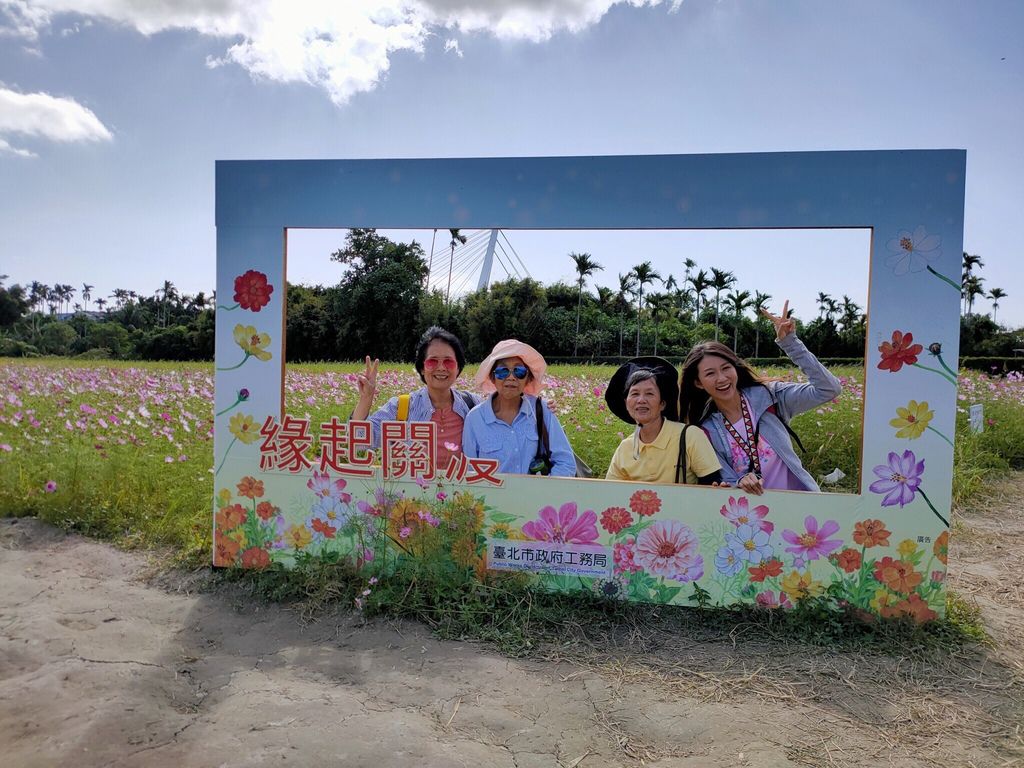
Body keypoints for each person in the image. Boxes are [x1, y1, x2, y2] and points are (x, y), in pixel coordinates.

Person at [678, 300, 842, 494]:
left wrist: (791, 344)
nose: (722, 378)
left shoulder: (770, 396)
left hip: (801, 506)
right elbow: (727, 480)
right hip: (755, 517)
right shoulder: (705, 430)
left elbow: (829, 389)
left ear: (735, 369)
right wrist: (740, 481)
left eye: (726, 368)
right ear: (698, 383)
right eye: (710, 374)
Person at [351, 326, 481, 469]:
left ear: (458, 368)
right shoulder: (401, 407)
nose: (441, 368)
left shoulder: (473, 405)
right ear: (422, 368)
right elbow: (360, 443)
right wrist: (366, 398)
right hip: (413, 490)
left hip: (464, 491)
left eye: (448, 362)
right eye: (432, 361)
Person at [462, 339, 575, 476]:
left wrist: (544, 492)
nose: (511, 377)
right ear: (492, 377)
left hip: (536, 496)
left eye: (519, 371)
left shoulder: (542, 410)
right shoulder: (475, 419)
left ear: (528, 378)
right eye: (502, 371)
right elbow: (469, 472)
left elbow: (565, 462)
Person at [604, 356, 723, 485]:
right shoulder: (624, 448)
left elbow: (712, 488)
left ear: (662, 404)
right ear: (626, 403)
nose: (641, 400)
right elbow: (611, 495)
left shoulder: (690, 437)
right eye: (634, 394)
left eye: (649, 393)